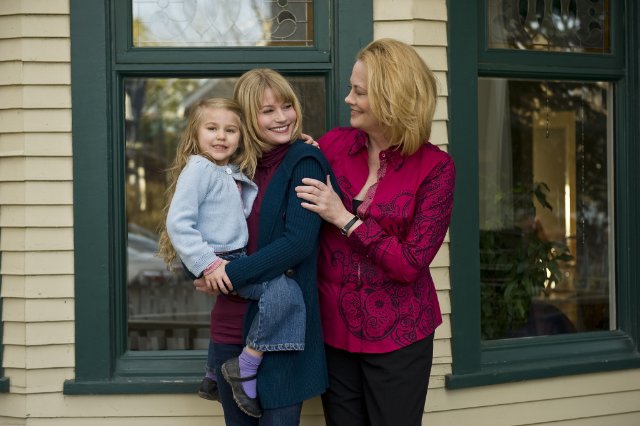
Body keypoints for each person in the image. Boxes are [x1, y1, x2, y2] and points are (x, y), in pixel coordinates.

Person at [295, 38, 456, 426]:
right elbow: (289, 209)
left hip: (399, 337)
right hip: (333, 331)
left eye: (359, 92)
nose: (348, 99)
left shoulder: (436, 168)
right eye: (351, 88)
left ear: (390, 99)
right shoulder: (332, 146)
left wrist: (345, 219)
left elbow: (410, 263)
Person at [194, 69, 332, 425]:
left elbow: (299, 242)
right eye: (267, 111)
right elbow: (193, 224)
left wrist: (230, 274)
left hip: (280, 329)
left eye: (286, 106)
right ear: (246, 118)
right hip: (229, 325)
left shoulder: (304, 160)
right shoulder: (231, 165)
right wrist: (199, 268)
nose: (282, 117)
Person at [157, 97, 308, 416]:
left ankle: (213, 373)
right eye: (212, 129)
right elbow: (178, 223)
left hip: (231, 257)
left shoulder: (226, 169)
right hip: (220, 260)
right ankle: (246, 363)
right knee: (286, 295)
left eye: (230, 130)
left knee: (275, 296)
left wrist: (299, 146)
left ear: (242, 136)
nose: (221, 137)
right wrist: (209, 264)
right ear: (195, 134)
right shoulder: (199, 169)